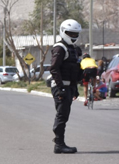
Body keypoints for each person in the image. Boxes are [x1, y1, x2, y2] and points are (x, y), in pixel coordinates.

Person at [49, 19, 83, 154]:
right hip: (60, 86)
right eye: (70, 33)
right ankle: (59, 144)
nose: (73, 36)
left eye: (76, 34)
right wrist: (61, 88)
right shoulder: (60, 48)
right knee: (61, 115)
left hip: (69, 86)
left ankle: (60, 143)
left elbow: (74, 70)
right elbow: (54, 68)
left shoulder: (74, 49)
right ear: (63, 32)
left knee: (65, 115)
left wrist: (74, 89)